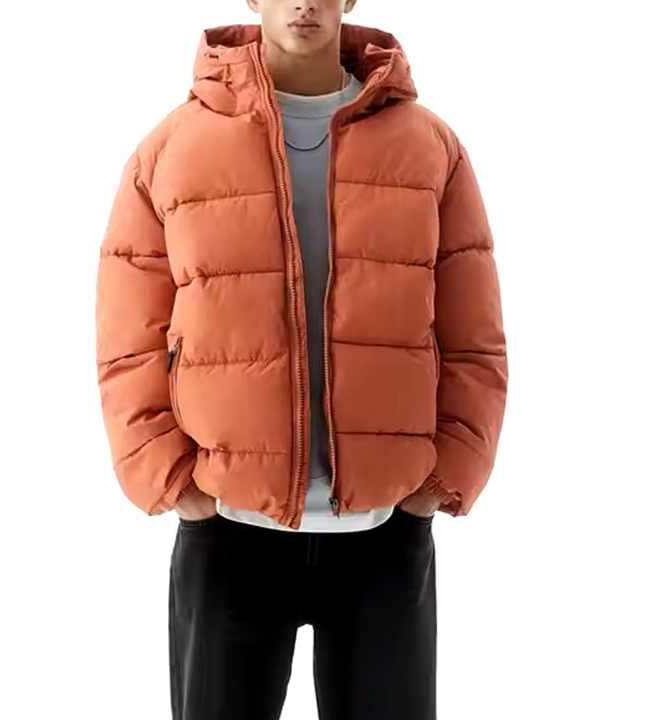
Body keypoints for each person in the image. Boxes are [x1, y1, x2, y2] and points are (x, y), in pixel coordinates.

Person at [95, 2, 508, 718]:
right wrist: (168, 475)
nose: (304, 2)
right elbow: (126, 334)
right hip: (230, 529)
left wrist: (446, 474)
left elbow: (475, 332)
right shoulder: (173, 147)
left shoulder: (428, 146)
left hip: (383, 531)